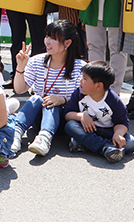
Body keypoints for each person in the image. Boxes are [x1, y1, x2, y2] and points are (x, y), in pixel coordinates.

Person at [9, 20, 85, 157]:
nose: (47, 42)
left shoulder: (80, 67)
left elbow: (86, 97)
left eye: (53, 38)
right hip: (39, 117)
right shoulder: (36, 61)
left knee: (51, 103)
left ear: (67, 43)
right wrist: (20, 67)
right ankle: (15, 134)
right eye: (47, 36)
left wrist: (62, 100)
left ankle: (44, 139)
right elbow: (19, 89)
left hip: (67, 119)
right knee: (36, 98)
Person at [64, 61, 134, 163]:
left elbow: (122, 122)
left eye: (85, 78)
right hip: (87, 130)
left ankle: (85, 145)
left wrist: (118, 134)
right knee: (70, 125)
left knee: (131, 143)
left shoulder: (114, 100)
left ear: (99, 86)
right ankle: (106, 148)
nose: (80, 80)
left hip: (108, 131)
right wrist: (81, 116)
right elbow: (67, 114)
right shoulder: (79, 94)